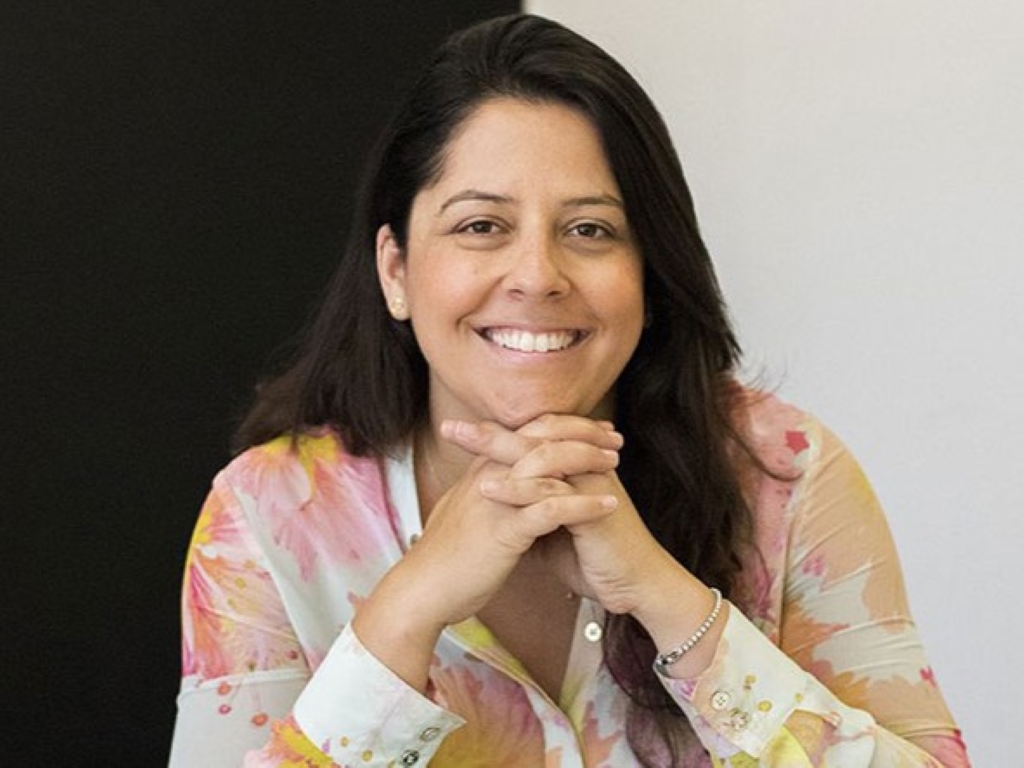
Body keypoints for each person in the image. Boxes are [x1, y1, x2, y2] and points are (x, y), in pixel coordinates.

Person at [169, 13, 969, 767]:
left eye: (590, 230)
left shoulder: (784, 475)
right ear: (397, 270)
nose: (537, 276)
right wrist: (404, 615)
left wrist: (669, 601)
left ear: (649, 273)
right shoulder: (270, 516)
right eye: (481, 226)